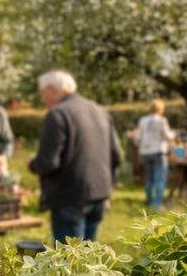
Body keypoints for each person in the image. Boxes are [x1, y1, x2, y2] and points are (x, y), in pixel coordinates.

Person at [28, 70, 121, 244]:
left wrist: (32, 164)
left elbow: (48, 162)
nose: (43, 98)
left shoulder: (57, 114)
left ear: (51, 89)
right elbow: (116, 155)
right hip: (99, 192)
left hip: (70, 195)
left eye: (42, 93)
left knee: (70, 260)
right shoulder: (100, 111)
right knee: (88, 256)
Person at [134, 98, 175, 209]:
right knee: (159, 178)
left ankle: (148, 200)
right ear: (161, 109)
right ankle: (157, 203)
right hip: (158, 151)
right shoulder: (161, 120)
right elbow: (168, 136)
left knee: (149, 177)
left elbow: (137, 138)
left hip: (146, 152)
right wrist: (174, 134)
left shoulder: (142, 120)